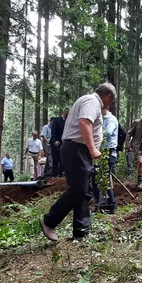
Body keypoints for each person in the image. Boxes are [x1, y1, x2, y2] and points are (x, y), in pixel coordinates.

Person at [39, 83, 116, 241]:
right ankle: (49, 221)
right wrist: (93, 148)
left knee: (84, 191)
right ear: (108, 97)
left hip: (80, 150)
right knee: (79, 190)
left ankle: (81, 232)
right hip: (76, 148)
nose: (110, 104)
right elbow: (84, 123)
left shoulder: (91, 102)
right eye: (112, 101)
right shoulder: (92, 102)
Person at [92, 100, 119, 213]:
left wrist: (94, 131)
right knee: (96, 178)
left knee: (105, 179)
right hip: (101, 151)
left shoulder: (111, 120)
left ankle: (110, 205)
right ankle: (100, 203)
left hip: (108, 152)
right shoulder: (102, 120)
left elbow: (107, 132)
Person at [50, 110, 68, 177]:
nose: (67, 116)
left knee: (62, 159)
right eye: (66, 114)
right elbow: (53, 131)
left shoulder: (68, 121)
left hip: (64, 143)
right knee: (55, 159)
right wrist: (55, 140)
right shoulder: (56, 120)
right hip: (56, 143)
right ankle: (54, 174)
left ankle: (61, 173)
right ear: (64, 113)